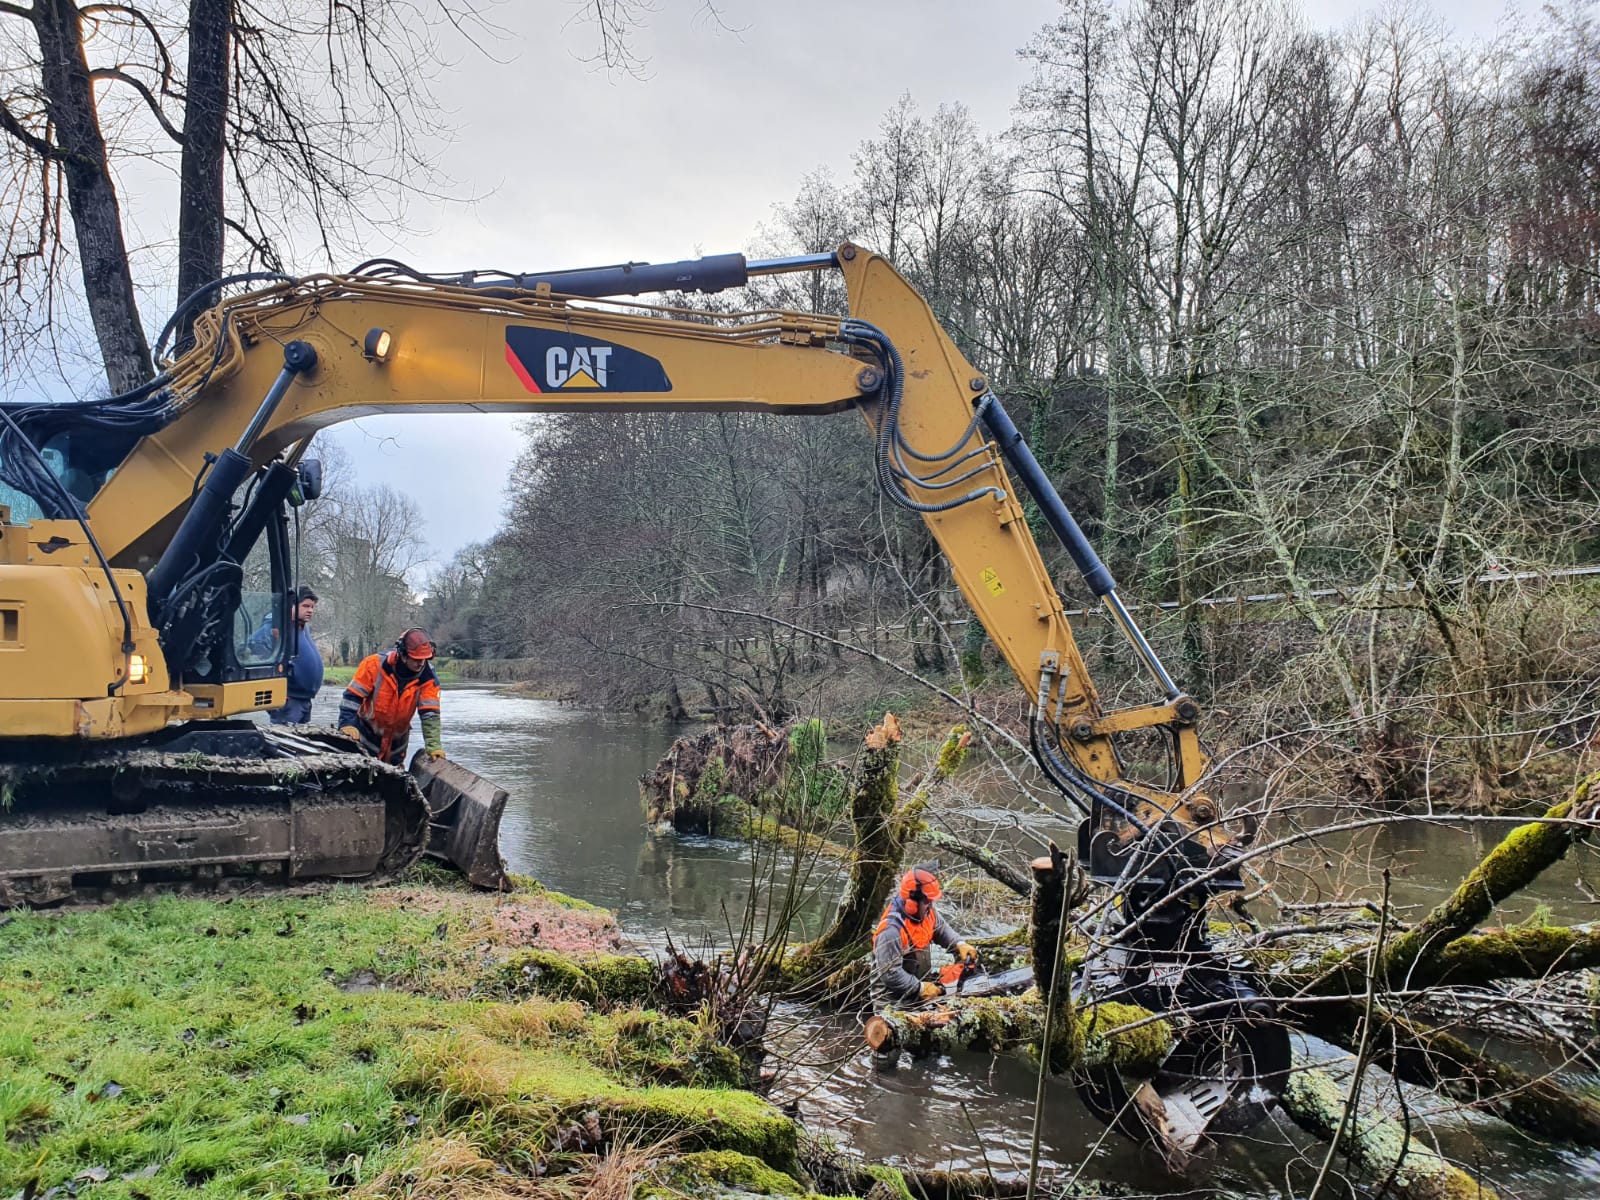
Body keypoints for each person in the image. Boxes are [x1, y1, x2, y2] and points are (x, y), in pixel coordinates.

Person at [336, 627, 445, 766]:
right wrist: (347, 724)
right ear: (403, 655)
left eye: (425, 659)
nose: (421, 663)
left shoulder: (428, 677)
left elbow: (430, 714)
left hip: (396, 743)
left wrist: (434, 745)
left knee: (391, 780)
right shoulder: (374, 665)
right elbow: (351, 698)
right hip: (365, 735)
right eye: (416, 659)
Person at [873, 865, 977, 1006]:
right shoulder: (891, 931)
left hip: (919, 992)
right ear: (912, 902)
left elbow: (941, 930)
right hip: (893, 1003)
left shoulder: (927, 912)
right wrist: (920, 988)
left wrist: (959, 944)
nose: (931, 905)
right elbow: (890, 974)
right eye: (927, 901)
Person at [269, 587, 322, 724]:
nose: (310, 610)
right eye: (305, 606)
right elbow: (255, 648)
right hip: (289, 702)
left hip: (304, 700)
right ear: (290, 606)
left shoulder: (303, 627)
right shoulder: (277, 627)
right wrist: (277, 692)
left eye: (312, 607)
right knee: (285, 742)